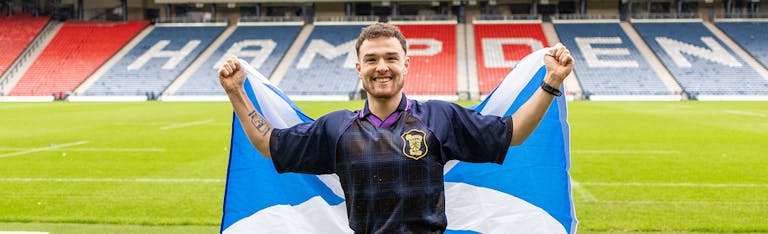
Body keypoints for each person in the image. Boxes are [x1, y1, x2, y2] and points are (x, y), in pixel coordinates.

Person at [218, 23, 573, 233]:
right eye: (371, 59)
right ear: (359, 68)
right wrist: (236, 92)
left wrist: (551, 82)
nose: (381, 67)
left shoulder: (439, 118)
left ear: (406, 64)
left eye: (390, 58)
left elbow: (512, 133)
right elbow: (269, 144)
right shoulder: (336, 128)